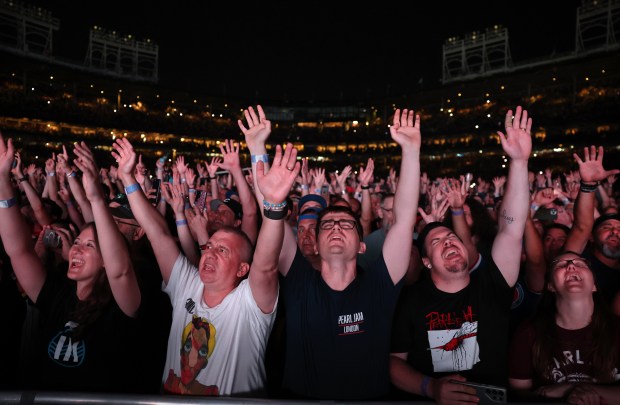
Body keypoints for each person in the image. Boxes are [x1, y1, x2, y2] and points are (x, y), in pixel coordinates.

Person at [239, 105, 421, 399]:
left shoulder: (380, 284)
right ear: (315, 242)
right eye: (328, 224)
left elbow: (403, 221)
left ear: (362, 246)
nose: (336, 227)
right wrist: (257, 148)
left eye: (347, 224)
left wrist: (411, 151)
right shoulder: (298, 281)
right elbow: (271, 210)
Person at [112, 136, 298, 396]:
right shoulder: (187, 285)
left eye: (222, 250)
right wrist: (128, 179)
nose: (209, 253)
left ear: (243, 269)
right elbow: (158, 234)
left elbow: (266, 266)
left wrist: (275, 205)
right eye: (209, 246)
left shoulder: (250, 304)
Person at [389, 106, 532, 402]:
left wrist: (519, 162)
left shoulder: (493, 283)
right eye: (437, 242)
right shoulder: (412, 300)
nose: (449, 242)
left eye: (452, 237)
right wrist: (431, 387)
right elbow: (393, 363)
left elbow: (512, 230)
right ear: (426, 262)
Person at [0, 134, 142, 392]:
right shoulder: (57, 294)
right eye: (78, 242)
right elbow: (18, 250)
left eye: (89, 246)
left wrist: (97, 198)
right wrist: (2, 180)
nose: (76, 249)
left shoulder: (121, 305)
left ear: (105, 261)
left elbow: (120, 271)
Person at [509, 251, 620, 404]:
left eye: (580, 264)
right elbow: (518, 394)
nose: (571, 266)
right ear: (550, 286)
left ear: (594, 285)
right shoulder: (528, 332)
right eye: (561, 265)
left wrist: (575, 389)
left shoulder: (617, 329)